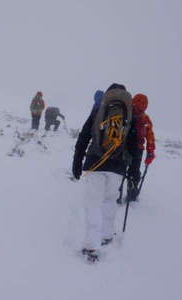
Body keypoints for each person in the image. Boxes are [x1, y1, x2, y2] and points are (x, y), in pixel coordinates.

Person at [72, 83, 137, 262]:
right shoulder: (130, 112)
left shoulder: (99, 108)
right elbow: (136, 145)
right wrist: (133, 173)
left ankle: (91, 246)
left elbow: (84, 135)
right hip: (117, 167)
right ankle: (107, 235)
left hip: (95, 163)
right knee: (109, 200)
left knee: (93, 203)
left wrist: (77, 162)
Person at [125, 93, 156, 202]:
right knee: (134, 171)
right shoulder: (145, 118)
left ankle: (116, 192)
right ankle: (132, 193)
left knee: (120, 170)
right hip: (138, 149)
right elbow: (150, 136)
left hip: (124, 146)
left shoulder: (127, 113)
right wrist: (150, 151)